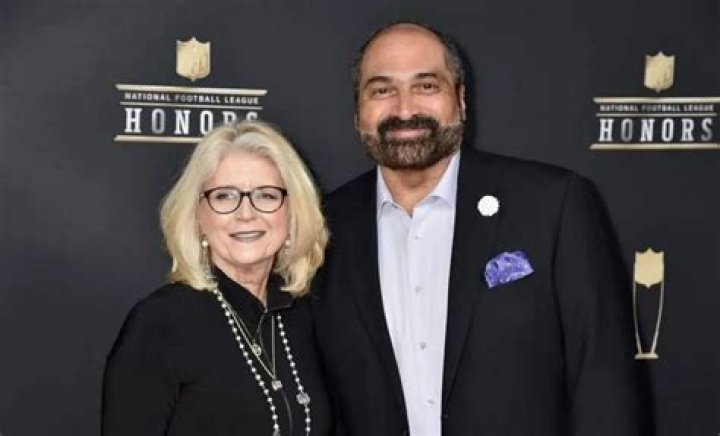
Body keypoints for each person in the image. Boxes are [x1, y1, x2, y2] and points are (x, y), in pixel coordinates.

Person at [312, 22, 646, 435]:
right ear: (357, 111)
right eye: (382, 90)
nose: (404, 109)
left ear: (461, 100)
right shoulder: (323, 227)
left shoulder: (552, 206)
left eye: (426, 86)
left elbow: (603, 384)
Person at [103, 121, 331, 436]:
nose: (246, 213)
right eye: (224, 196)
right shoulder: (161, 322)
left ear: (292, 212)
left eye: (266, 195)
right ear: (198, 216)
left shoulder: (304, 317)